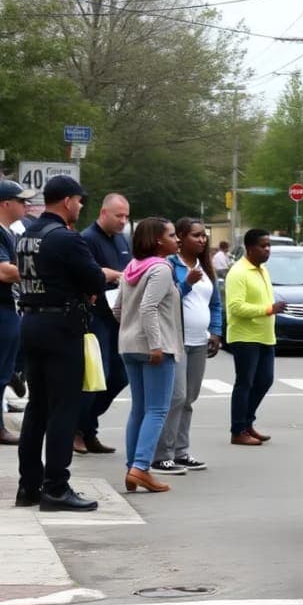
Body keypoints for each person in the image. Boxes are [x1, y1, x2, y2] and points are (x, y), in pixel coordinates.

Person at [14, 175, 106, 511]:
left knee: (36, 408)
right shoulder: (67, 239)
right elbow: (94, 278)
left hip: (32, 321)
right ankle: (56, 488)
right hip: (61, 326)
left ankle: (29, 486)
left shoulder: (28, 236)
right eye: (79, 201)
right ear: (67, 201)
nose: (80, 207)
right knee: (64, 408)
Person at [113, 218, 181, 493]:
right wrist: (155, 343)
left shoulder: (130, 267)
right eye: (172, 235)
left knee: (139, 409)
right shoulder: (161, 269)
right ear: (158, 241)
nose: (177, 239)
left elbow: (118, 309)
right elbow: (149, 308)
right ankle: (141, 467)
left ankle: (133, 467)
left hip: (129, 345)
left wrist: (129, 332)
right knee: (157, 409)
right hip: (156, 347)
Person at [151, 218, 222, 475]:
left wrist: (215, 330)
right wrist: (188, 282)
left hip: (199, 341)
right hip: (176, 341)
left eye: (204, 236)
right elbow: (167, 299)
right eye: (196, 235)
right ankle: (162, 455)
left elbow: (215, 303)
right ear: (180, 237)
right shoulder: (171, 265)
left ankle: (181, 452)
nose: (202, 240)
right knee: (175, 398)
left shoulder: (205, 267)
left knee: (189, 399)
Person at [77, 192, 131, 455]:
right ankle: (79, 430)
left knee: (121, 376)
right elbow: (85, 275)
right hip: (96, 317)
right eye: (119, 216)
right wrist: (106, 276)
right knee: (99, 375)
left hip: (119, 318)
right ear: (103, 213)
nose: (123, 221)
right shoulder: (88, 239)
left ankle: (88, 427)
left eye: (126, 216)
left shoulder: (122, 240)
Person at [224, 229, 286, 446]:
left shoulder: (262, 270)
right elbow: (236, 307)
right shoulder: (238, 272)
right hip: (245, 337)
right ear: (250, 249)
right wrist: (269, 309)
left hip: (265, 336)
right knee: (245, 383)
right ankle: (238, 430)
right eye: (263, 246)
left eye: (269, 245)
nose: (267, 249)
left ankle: (248, 422)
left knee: (265, 380)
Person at [0, 180, 35, 445]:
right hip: (2, 310)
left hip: (10, 308)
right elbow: (3, 270)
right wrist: (41, 271)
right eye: (21, 201)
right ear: (6, 203)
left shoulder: (10, 233)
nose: (27, 205)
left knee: (6, 368)